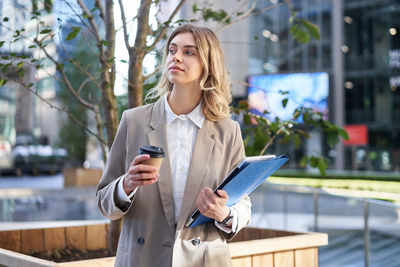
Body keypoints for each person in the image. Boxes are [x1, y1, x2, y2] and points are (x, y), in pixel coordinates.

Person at [96, 24, 251, 267]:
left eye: (189, 52)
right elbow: (104, 200)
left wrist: (224, 213)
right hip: (142, 259)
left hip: (205, 260)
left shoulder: (228, 131)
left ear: (208, 65)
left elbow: (242, 202)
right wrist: (127, 184)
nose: (176, 57)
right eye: (172, 50)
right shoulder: (134, 121)